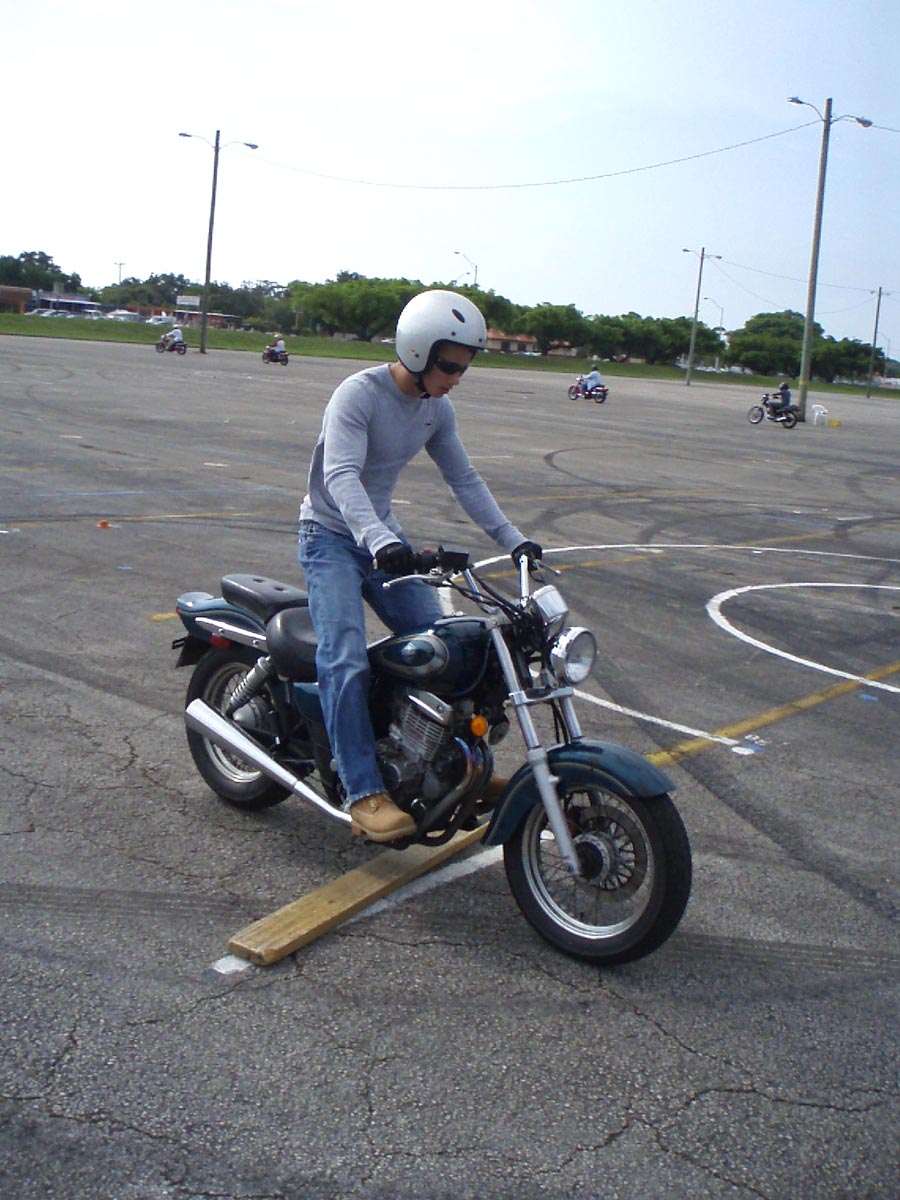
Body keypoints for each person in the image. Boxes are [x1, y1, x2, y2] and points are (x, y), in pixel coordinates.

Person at [298, 289, 542, 842]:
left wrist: (515, 540)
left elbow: (465, 479)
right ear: (416, 352)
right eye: (449, 366)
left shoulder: (437, 409)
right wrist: (379, 539)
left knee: (447, 650)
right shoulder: (358, 395)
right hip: (330, 536)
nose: (456, 378)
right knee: (344, 656)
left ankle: (454, 769)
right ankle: (363, 791)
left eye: (463, 368)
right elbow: (341, 476)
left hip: (382, 538)